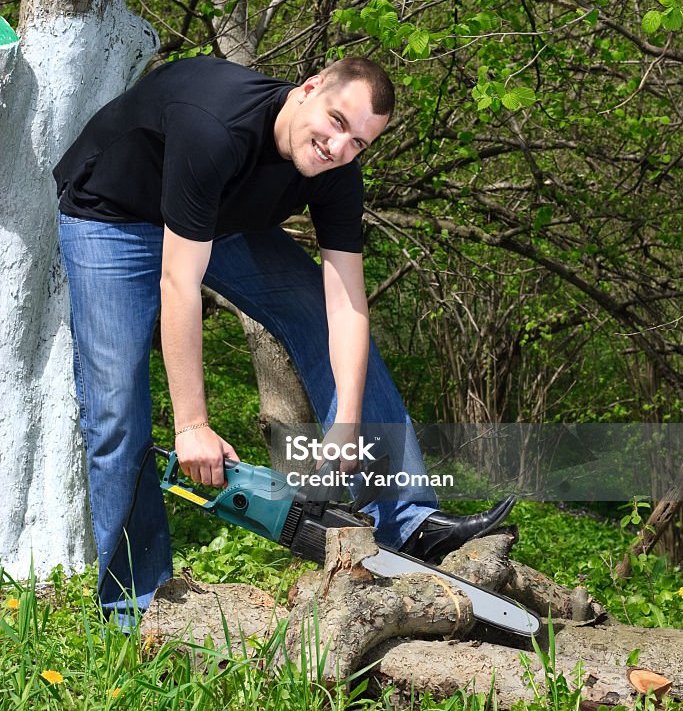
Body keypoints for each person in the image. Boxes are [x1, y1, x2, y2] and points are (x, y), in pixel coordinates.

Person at [54, 55, 514, 627]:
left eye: (360, 143)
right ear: (310, 87)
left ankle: (410, 523)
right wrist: (193, 424)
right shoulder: (214, 127)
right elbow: (180, 282)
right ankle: (137, 608)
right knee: (118, 412)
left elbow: (346, 302)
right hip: (113, 219)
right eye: (337, 122)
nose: (340, 148)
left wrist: (347, 422)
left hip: (215, 223)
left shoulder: (338, 170)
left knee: (321, 318)